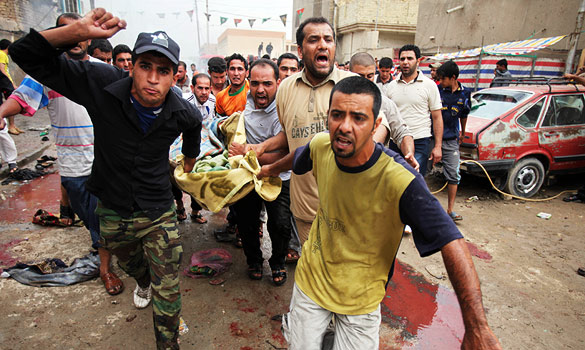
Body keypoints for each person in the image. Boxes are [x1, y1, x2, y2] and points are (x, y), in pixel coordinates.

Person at [9, 9, 202, 349]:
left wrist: (187, 162)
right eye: (146, 67)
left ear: (175, 77)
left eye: (164, 71)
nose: (153, 79)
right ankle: (145, 282)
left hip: (157, 209)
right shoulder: (100, 84)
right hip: (112, 210)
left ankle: (168, 332)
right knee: (132, 266)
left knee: (168, 286)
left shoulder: (184, 110)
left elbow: (193, 135)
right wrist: (76, 32)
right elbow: (25, 53)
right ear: (132, 67)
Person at [264, 76, 502, 350]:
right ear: (327, 117)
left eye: (358, 118)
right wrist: (267, 170)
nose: (344, 127)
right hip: (311, 283)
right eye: (337, 115)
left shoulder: (400, 179)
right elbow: (299, 156)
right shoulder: (322, 145)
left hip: (361, 300)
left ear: (377, 124)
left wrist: (477, 328)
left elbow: (452, 241)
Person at [1, 11, 124, 294]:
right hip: (73, 165)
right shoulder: (50, 74)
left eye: (81, 31)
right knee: (90, 217)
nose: (76, 37)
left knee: (103, 219)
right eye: (69, 32)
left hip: (104, 160)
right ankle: (102, 254)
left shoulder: (100, 70)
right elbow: (21, 98)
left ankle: (105, 268)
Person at [245, 17, 354, 246]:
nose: (323, 45)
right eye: (314, 40)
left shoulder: (354, 86)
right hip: (305, 208)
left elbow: (380, 130)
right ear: (300, 50)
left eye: (328, 39)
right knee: (312, 271)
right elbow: (291, 136)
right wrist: (262, 147)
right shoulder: (286, 88)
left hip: (348, 209)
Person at [228, 58, 292, 285]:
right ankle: (253, 261)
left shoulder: (285, 110)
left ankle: (278, 263)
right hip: (248, 177)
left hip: (279, 176)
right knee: (246, 222)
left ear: (278, 82)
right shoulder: (245, 104)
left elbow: (285, 155)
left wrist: (247, 152)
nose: (260, 89)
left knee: (281, 224)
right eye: (255, 83)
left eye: (267, 83)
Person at [348, 52, 419, 171]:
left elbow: (402, 132)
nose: (365, 81)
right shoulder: (338, 100)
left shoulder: (384, 103)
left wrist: (409, 154)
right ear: (348, 74)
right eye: (360, 76)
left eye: (370, 76)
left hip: (374, 171)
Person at [386, 44, 443, 177]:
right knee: (395, 181)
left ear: (418, 61)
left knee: (414, 180)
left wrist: (438, 146)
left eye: (410, 58)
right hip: (396, 142)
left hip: (420, 141)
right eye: (402, 59)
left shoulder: (429, 85)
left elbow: (437, 117)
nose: (405, 62)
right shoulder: (391, 86)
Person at [435, 60, 470, 221]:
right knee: (421, 173)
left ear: (453, 77)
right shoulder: (437, 90)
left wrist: (462, 133)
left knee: (454, 175)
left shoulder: (465, 93)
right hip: (433, 138)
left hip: (451, 140)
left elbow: (464, 114)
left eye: (443, 79)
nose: (440, 82)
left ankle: (450, 210)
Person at [214, 53, 249, 117]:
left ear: (247, 73)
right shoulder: (220, 97)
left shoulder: (253, 92)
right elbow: (220, 121)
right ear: (227, 72)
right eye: (232, 69)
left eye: (240, 69)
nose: (236, 73)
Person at [0, 39, 22, 135]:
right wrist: (10, 84)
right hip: (5, 83)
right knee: (11, 101)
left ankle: (12, 125)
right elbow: (2, 70)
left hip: (5, 82)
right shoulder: (2, 54)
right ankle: (11, 126)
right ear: (8, 47)